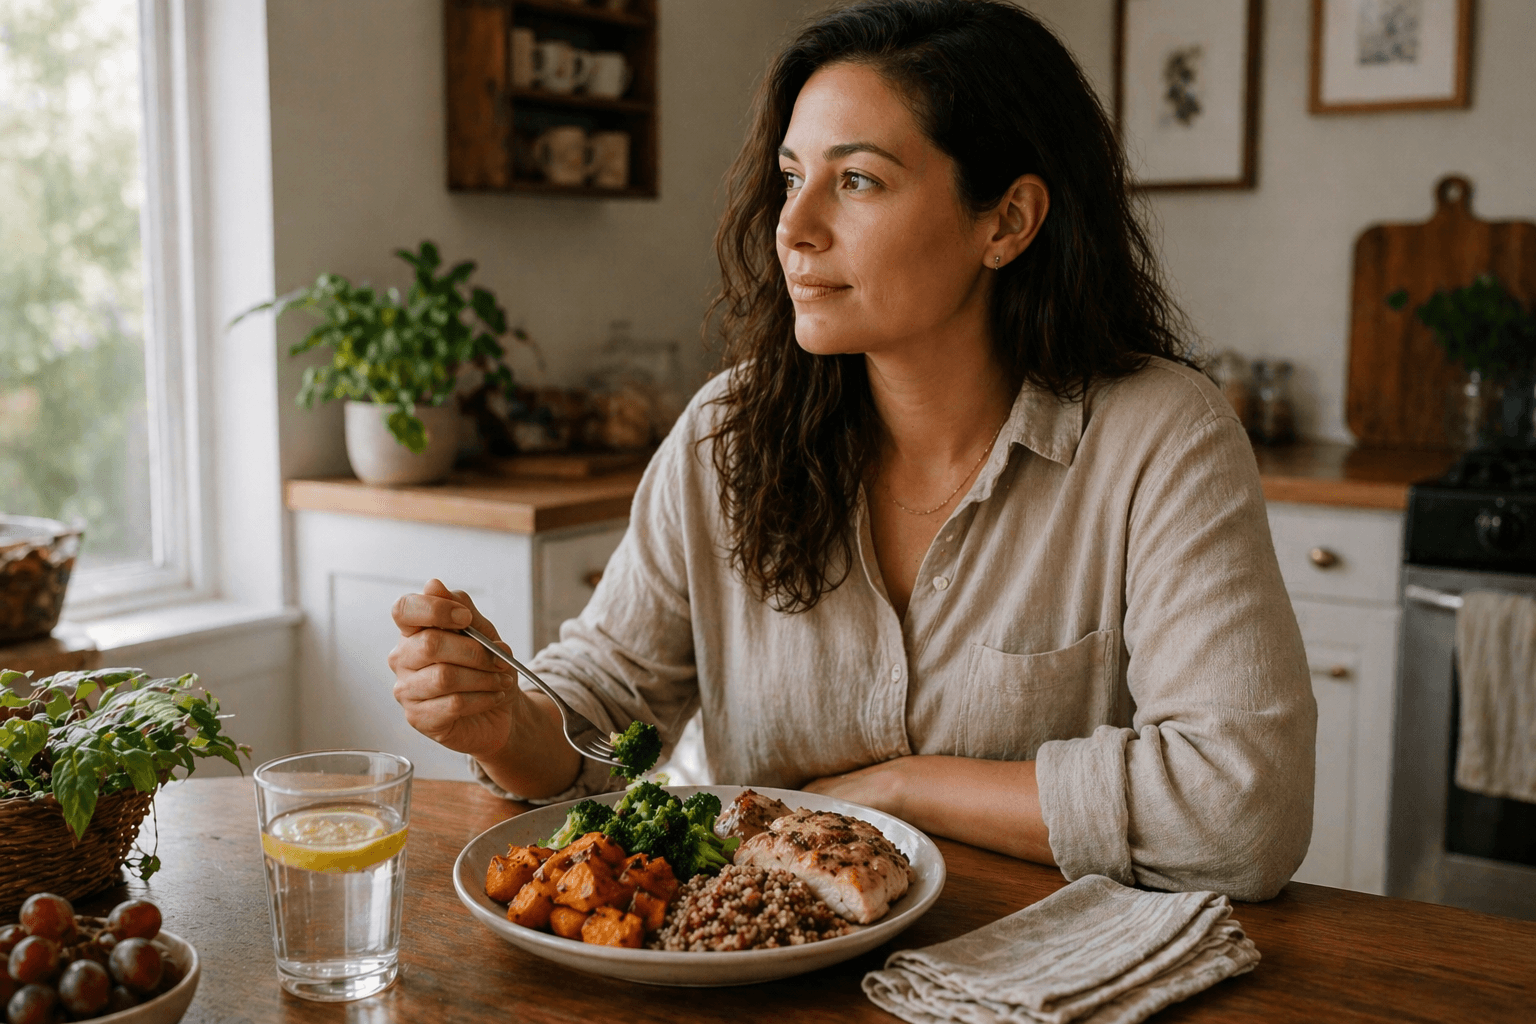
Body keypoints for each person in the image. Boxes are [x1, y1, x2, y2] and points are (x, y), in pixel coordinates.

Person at [389, 0, 1315, 901]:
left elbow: (1243, 812)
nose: (794, 226)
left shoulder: (1164, 438)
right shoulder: (727, 436)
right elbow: (601, 707)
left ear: (1007, 223)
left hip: (1044, 981)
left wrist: (902, 786)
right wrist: (506, 721)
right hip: (756, 978)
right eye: (792, 177)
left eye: (858, 180)